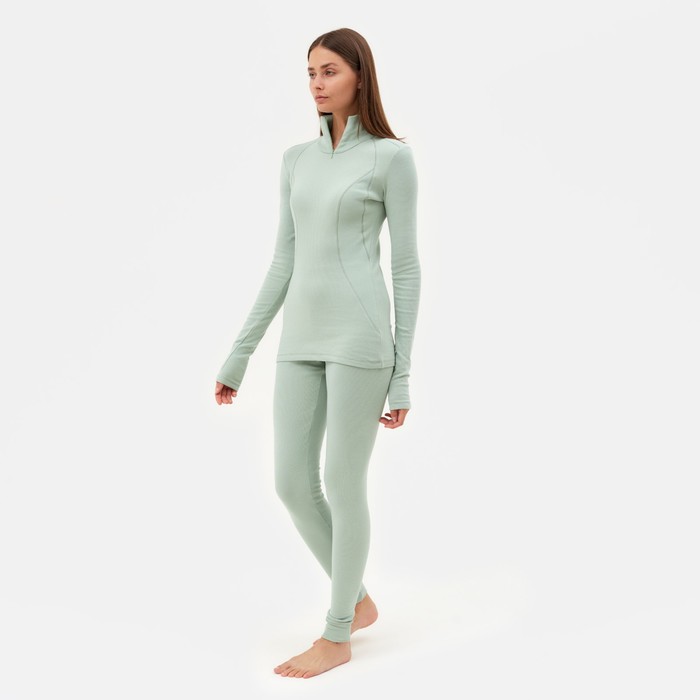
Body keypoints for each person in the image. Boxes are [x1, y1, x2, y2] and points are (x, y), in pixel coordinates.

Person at [214, 27, 421, 679]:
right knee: (290, 482)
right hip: (300, 338)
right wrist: (239, 354)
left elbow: (407, 267)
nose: (316, 83)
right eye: (310, 72)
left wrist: (402, 374)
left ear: (360, 75)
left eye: (329, 70)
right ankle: (357, 601)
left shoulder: (391, 158)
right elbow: (283, 260)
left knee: (341, 481)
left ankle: (337, 633)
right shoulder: (295, 160)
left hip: (361, 338)